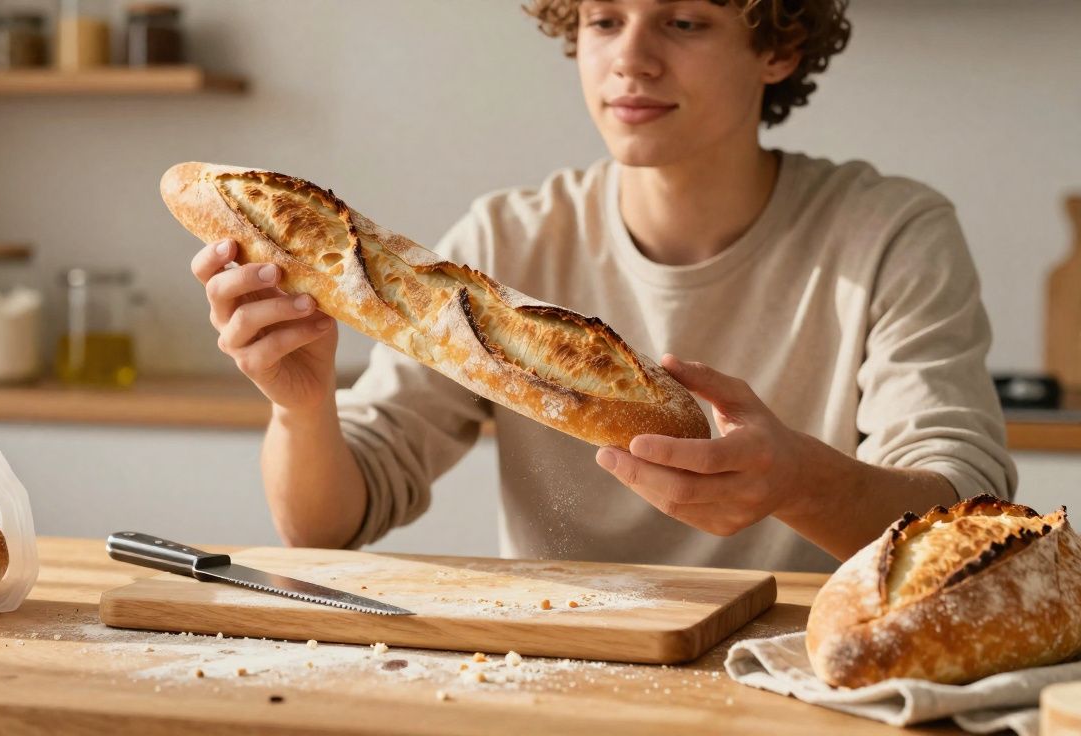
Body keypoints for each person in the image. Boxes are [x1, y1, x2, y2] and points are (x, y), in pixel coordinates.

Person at [189, 0, 1016, 573]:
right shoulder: (502, 241)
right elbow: (326, 525)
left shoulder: (890, 234)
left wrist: (799, 483)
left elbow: (963, 518)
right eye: (602, 20)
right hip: (554, 673)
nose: (630, 59)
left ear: (778, 48)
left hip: (806, 673)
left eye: (684, 21)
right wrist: (301, 406)